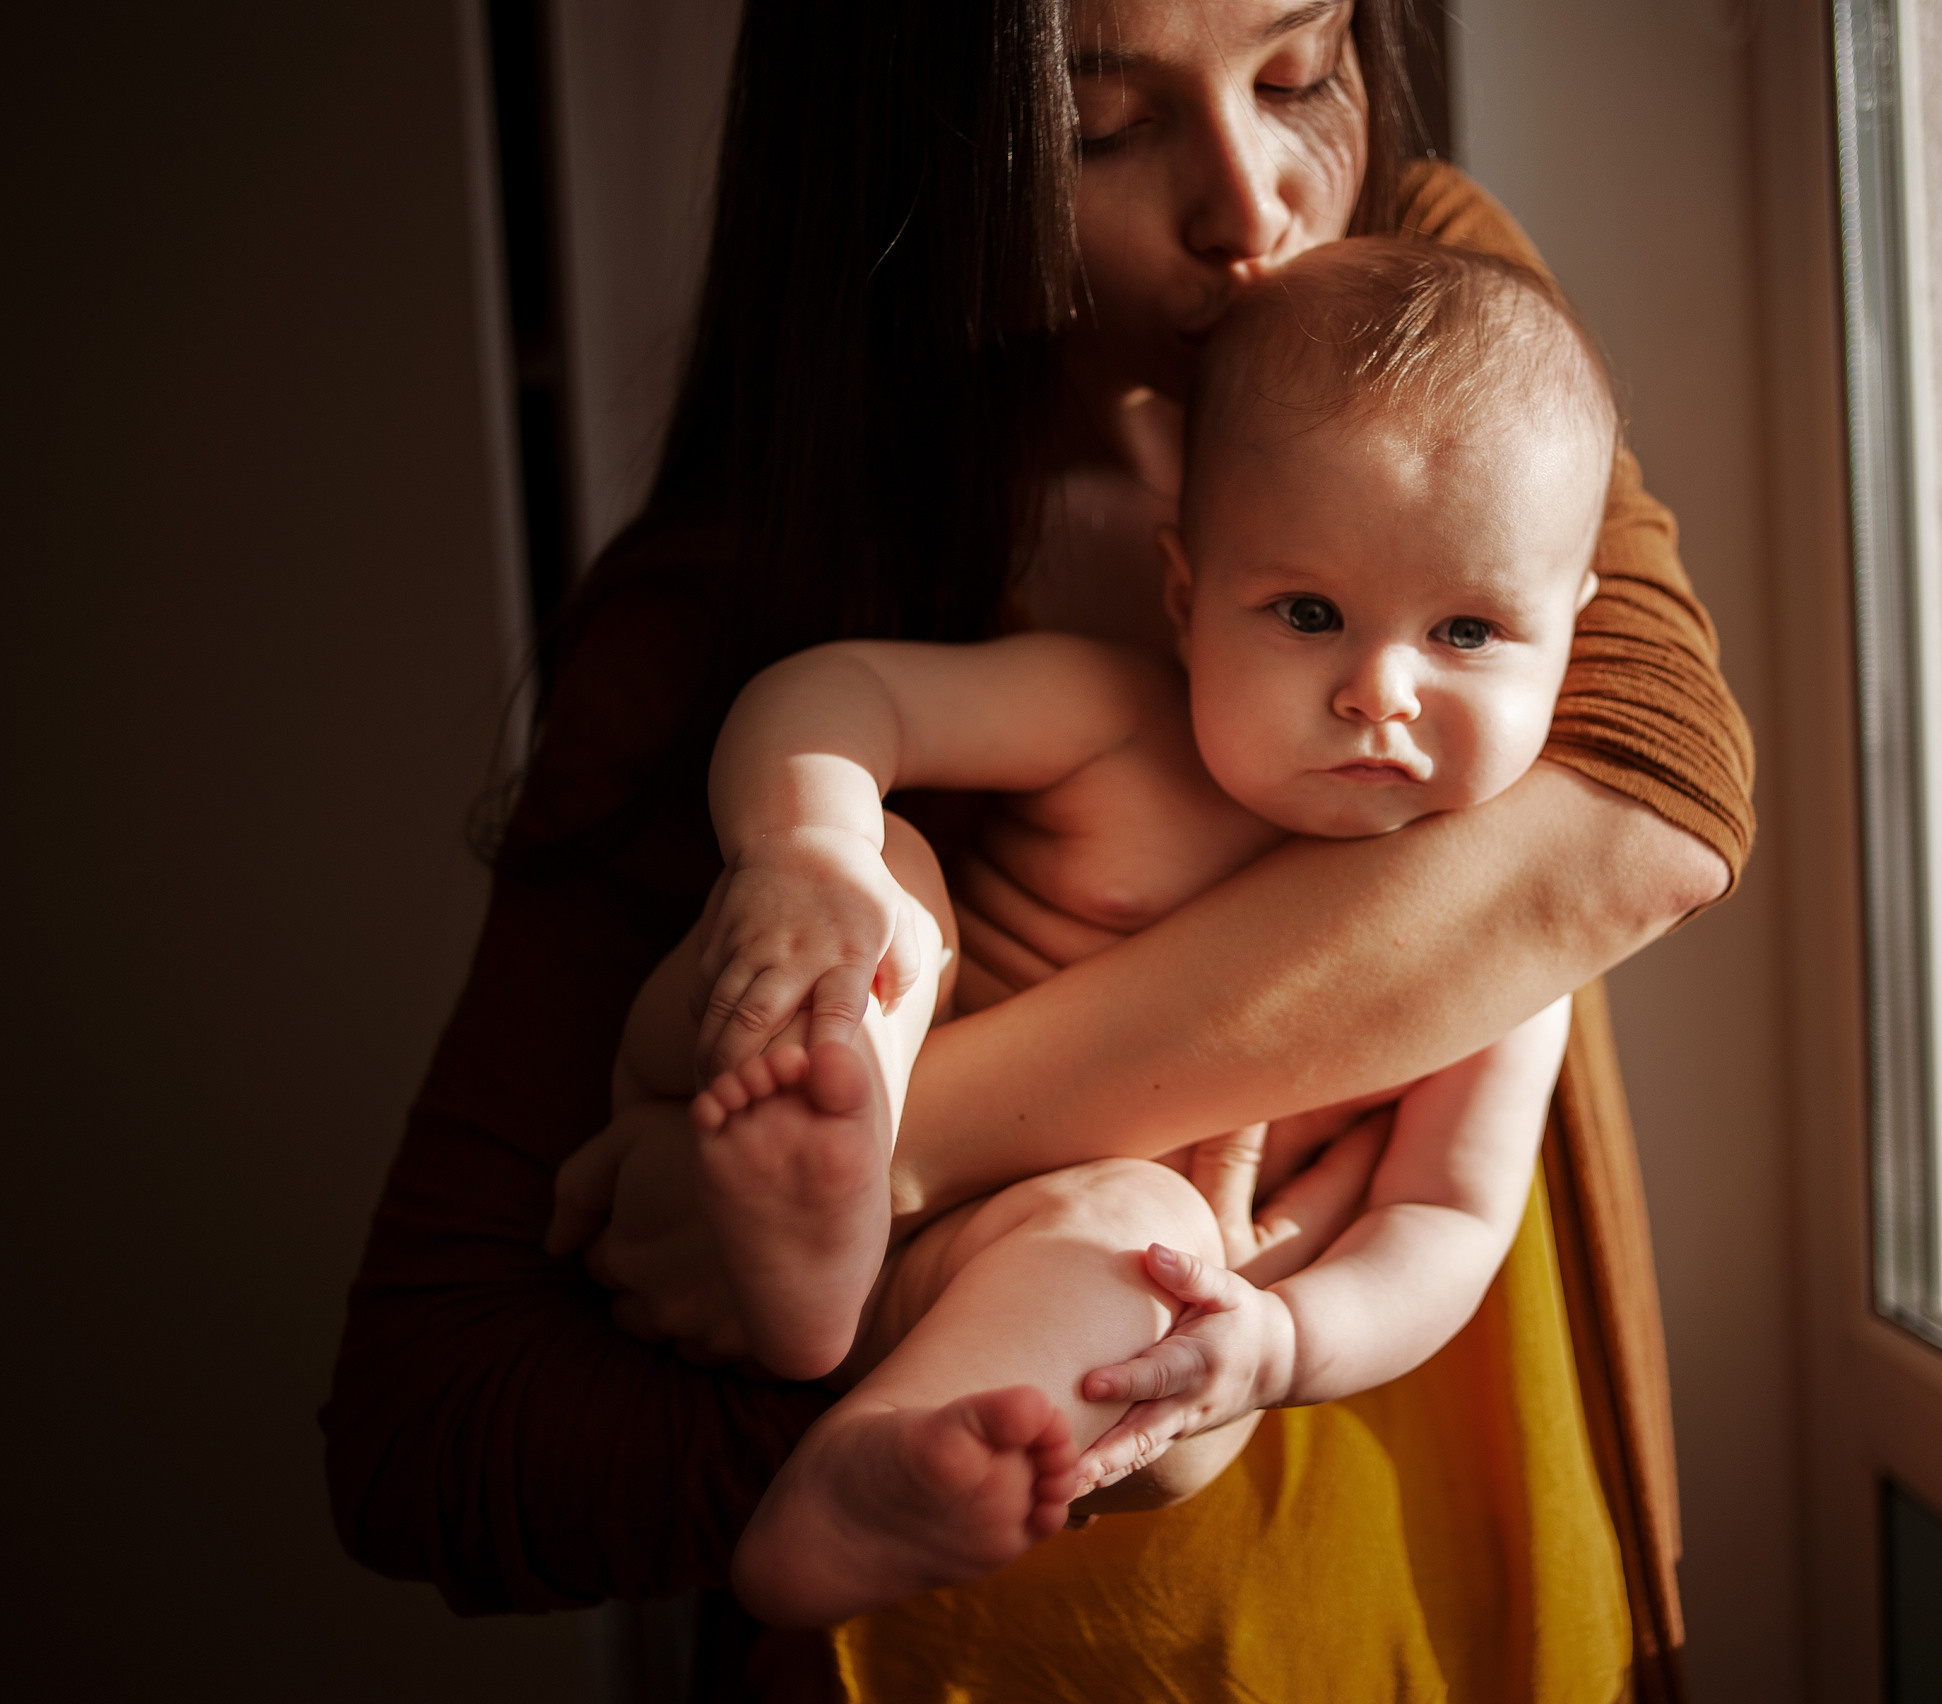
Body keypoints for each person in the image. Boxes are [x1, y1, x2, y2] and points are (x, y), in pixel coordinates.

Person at [324, 1, 1752, 1696]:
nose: (1256, 205)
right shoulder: (796, 616)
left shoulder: (1443, 319)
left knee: (1135, 1254)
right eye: (1104, 129)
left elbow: (1656, 812)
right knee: (874, 923)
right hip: (971, 1642)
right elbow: (425, 1430)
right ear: (914, 160)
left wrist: (919, 1164)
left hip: (1411, 1589)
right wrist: (820, 912)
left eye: (1301, 73)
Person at [600, 239, 1616, 1625]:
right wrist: (804, 852)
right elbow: (844, 694)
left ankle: (866, 1470)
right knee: (888, 884)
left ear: (1573, 634)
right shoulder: (1121, 724)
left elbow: (1446, 1215)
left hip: (1055, 1280)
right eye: (1309, 614)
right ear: (1190, 600)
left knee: (1145, 1236)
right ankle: (822, 1172)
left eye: (1470, 630)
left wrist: (1285, 1339)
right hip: (766, 1098)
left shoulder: (1503, 952)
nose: (1380, 691)